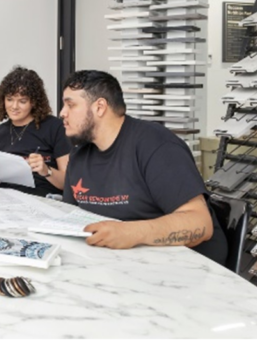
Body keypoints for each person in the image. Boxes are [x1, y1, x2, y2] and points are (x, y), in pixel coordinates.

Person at [59, 70, 225, 263]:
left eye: (70, 105)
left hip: (188, 266)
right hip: (120, 262)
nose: (62, 113)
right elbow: (71, 218)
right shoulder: (79, 155)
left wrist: (130, 233)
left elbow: (200, 224)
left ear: (100, 107)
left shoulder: (157, 145)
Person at [0, 67, 71, 198]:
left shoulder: (55, 127)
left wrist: (46, 170)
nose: (14, 106)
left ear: (34, 102)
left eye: (22, 101)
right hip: (4, 199)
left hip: (42, 199)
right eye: (9, 99)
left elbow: (68, 183)